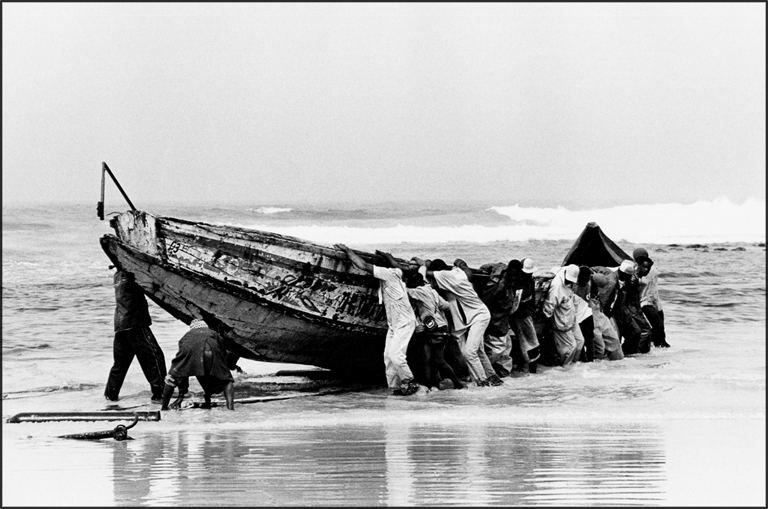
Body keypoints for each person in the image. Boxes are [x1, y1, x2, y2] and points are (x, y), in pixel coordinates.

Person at [335, 244, 419, 396]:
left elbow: (363, 265)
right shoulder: (396, 273)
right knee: (388, 357)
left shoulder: (388, 274)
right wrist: (388, 256)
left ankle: (410, 381)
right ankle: (394, 388)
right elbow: (396, 265)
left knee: (396, 356)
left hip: (404, 322)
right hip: (394, 323)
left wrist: (347, 250)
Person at [415, 258, 499, 387]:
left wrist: (422, 263)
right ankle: (493, 378)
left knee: (470, 353)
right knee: (478, 351)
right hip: (472, 317)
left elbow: (426, 273)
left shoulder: (446, 276)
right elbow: (467, 272)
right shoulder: (457, 273)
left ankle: (483, 382)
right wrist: (460, 263)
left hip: (478, 316)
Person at [104, 269, 166, 403]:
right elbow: (152, 285)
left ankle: (110, 396)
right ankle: (160, 394)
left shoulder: (119, 275)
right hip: (135, 323)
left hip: (121, 324)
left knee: (120, 364)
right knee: (154, 357)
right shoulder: (132, 272)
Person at [405, 271, 464, 390]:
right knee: (430, 359)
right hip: (439, 326)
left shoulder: (420, 291)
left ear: (415, 282)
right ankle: (432, 385)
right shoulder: (432, 291)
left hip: (434, 328)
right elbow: (446, 305)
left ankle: (456, 384)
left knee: (436, 360)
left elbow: (404, 291)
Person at [161, 318, 235, 410]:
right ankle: (230, 408)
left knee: (171, 378)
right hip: (211, 350)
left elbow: (183, 374)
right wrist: (224, 369)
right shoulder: (213, 333)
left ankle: (164, 407)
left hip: (189, 351)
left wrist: (181, 395)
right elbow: (223, 349)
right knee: (226, 380)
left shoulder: (187, 335)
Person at [541, 264, 585, 366]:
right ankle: (565, 367)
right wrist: (548, 324)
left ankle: (574, 365)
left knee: (580, 341)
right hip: (561, 321)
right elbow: (549, 306)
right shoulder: (557, 286)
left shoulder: (569, 274)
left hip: (571, 316)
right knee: (571, 347)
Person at [478, 261, 515, 379]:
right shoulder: (498, 286)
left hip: (503, 322)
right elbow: (486, 302)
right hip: (496, 323)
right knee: (496, 350)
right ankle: (483, 371)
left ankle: (504, 373)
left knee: (505, 349)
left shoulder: (507, 284)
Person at [613, 260, 652, 355]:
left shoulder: (632, 278)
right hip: (628, 310)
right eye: (644, 267)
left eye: (648, 268)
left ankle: (631, 352)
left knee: (635, 331)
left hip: (627, 309)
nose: (646, 270)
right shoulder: (631, 279)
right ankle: (635, 352)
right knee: (642, 330)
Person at [509, 258, 541, 373]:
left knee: (530, 341)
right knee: (527, 341)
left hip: (525, 315)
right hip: (518, 316)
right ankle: (524, 367)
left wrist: (532, 311)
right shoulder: (517, 283)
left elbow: (532, 298)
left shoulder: (529, 281)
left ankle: (529, 369)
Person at [633, 247, 670, 348]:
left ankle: (658, 344)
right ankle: (656, 345)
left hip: (654, 300)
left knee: (660, 324)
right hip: (645, 301)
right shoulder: (636, 270)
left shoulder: (649, 268)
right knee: (657, 324)